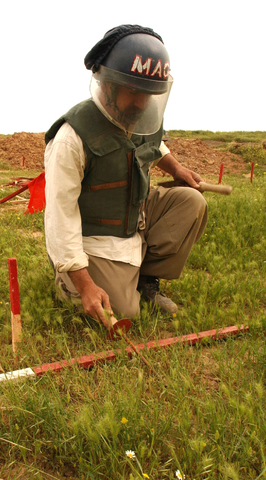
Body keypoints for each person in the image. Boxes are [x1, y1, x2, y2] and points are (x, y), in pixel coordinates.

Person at [44, 25, 208, 324]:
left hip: (134, 218)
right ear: (108, 85)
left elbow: (153, 144)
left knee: (190, 202)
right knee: (123, 311)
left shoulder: (139, 116)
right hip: (93, 236)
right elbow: (60, 216)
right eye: (134, 91)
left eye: (149, 94)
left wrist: (177, 169)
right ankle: (66, 282)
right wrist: (85, 284)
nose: (142, 103)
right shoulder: (72, 138)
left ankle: (145, 281)